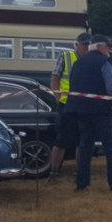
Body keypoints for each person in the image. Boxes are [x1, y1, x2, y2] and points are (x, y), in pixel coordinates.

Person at [66, 36, 112, 192]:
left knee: (85, 146)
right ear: (99, 47)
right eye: (108, 47)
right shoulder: (104, 63)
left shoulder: (78, 63)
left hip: (81, 111)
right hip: (102, 111)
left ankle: (81, 184)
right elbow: (111, 88)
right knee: (111, 148)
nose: (110, 51)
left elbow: (73, 85)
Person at [47, 32, 92, 181]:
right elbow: (55, 77)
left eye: (88, 45)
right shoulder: (66, 56)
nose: (86, 48)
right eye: (84, 45)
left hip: (84, 104)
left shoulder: (90, 59)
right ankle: (54, 172)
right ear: (77, 45)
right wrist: (57, 96)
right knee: (61, 140)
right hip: (66, 104)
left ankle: (80, 172)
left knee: (82, 140)